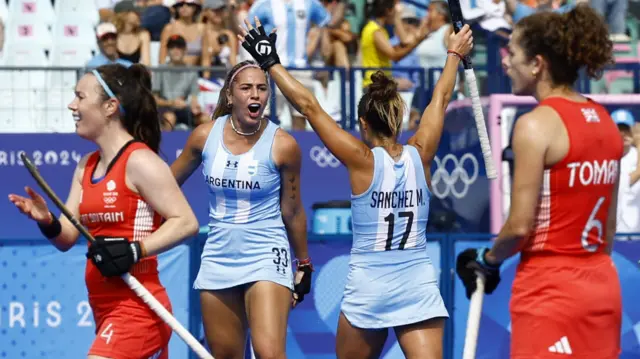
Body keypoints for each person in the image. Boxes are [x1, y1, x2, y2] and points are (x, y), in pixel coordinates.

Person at [238, 17, 473, 358]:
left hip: (369, 287)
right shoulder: (421, 154)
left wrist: (270, 62)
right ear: (398, 119)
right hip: (415, 284)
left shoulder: (362, 160)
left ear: (364, 124)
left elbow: (309, 107)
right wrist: (454, 52)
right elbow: (441, 97)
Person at [455, 5, 622, 359]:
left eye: (512, 52)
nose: (504, 61)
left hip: (550, 293)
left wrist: (487, 259)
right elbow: (606, 234)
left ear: (537, 64)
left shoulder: (535, 125)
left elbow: (519, 227)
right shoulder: (606, 122)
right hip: (602, 289)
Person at [8, 63, 200, 359]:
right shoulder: (86, 165)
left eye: (80, 97)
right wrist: (46, 221)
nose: (72, 105)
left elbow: (186, 222)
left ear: (110, 106)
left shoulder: (140, 162)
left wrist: (135, 250)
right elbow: (67, 237)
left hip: (138, 305)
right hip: (102, 306)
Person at [170, 60, 313, 358]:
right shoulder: (203, 136)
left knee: (269, 353)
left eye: (262, 89)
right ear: (230, 95)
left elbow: (293, 211)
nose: (255, 95)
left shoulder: (283, 145)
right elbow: (167, 185)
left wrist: (304, 264)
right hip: (218, 257)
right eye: (246, 88)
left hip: (265, 254)